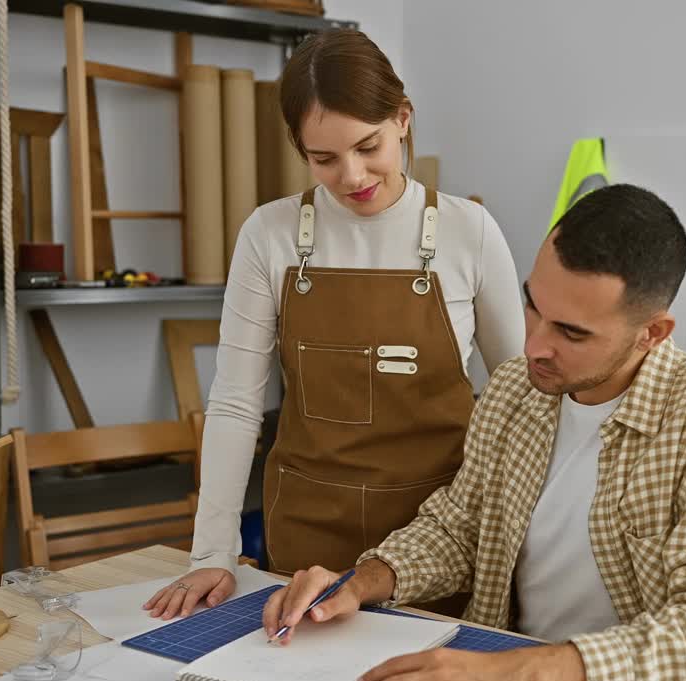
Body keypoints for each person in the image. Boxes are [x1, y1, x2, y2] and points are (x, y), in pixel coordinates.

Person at [262, 184, 686, 681]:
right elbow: (459, 528)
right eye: (534, 305)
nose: (534, 343)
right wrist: (360, 582)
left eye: (571, 332)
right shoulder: (517, 388)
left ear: (651, 333)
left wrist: (519, 672)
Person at [144, 28, 524, 620]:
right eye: (324, 159)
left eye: (368, 145)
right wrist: (211, 552)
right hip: (306, 530)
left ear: (402, 119)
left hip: (436, 537)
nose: (352, 175)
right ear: (300, 149)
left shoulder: (468, 230)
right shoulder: (268, 235)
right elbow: (236, 403)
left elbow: (521, 397)